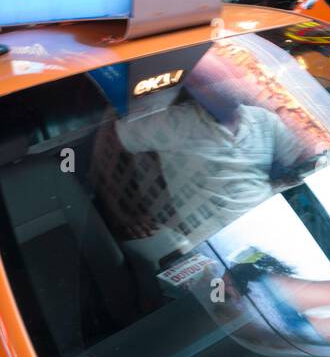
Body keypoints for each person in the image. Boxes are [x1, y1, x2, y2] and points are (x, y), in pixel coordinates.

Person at [114, 81, 304, 257]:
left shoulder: (264, 119)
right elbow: (109, 138)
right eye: (215, 78)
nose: (229, 83)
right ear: (195, 88)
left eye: (232, 74)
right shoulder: (173, 122)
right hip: (215, 244)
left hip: (276, 227)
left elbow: (301, 164)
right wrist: (126, 214)